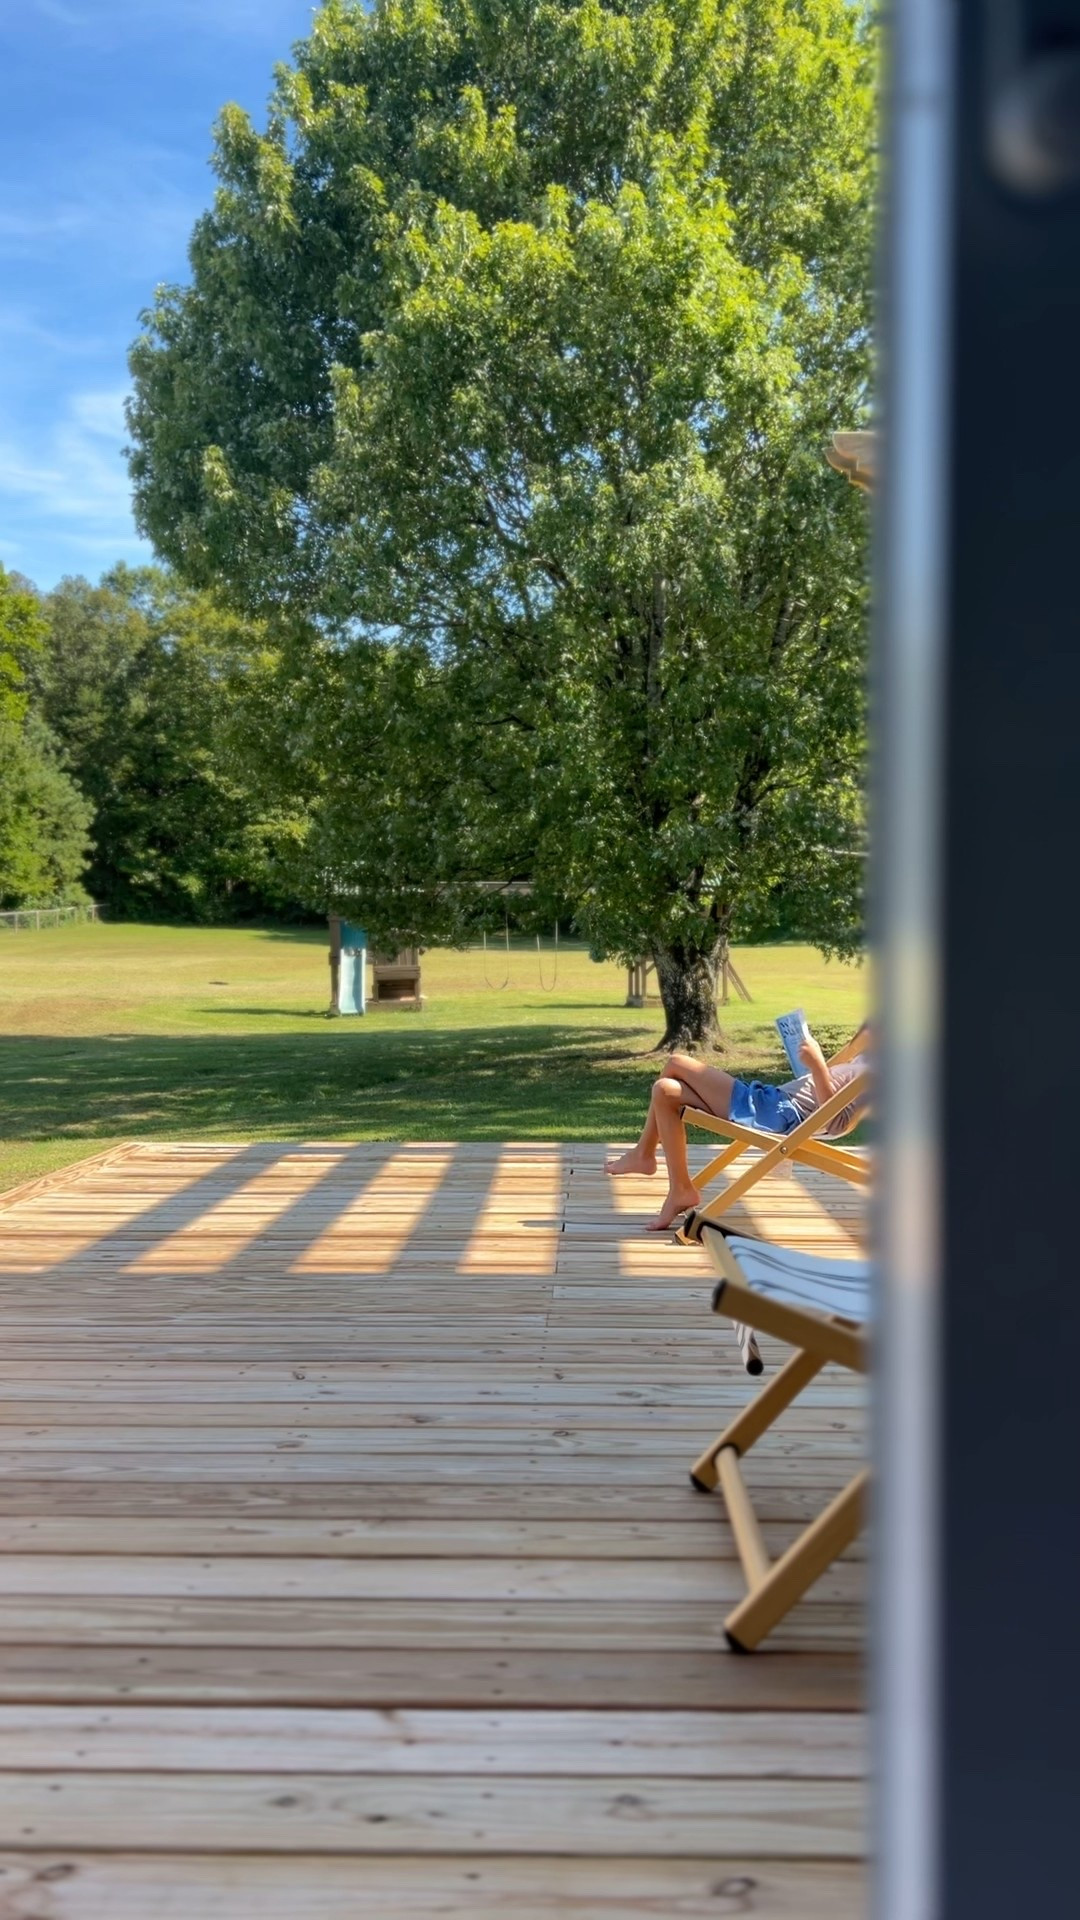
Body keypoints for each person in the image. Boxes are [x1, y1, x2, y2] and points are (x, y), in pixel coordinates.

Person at [606, 1023, 872, 1230]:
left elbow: (836, 1122)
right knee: (664, 1091)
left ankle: (644, 1155)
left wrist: (817, 1066)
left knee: (677, 1063)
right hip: (772, 1102)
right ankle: (680, 1188)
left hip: (776, 1113)